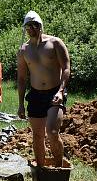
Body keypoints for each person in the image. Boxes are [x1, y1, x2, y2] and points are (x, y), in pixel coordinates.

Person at [17, 11, 71, 167]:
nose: (31, 29)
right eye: (28, 27)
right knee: (38, 135)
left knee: (53, 133)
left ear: (40, 26)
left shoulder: (55, 43)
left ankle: (59, 169)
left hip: (54, 92)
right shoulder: (24, 50)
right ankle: (40, 171)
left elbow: (66, 68)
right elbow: (21, 79)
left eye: (34, 26)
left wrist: (61, 91)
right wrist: (21, 104)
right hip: (35, 95)